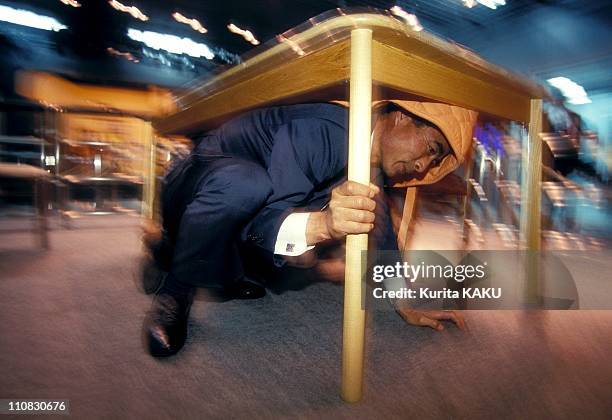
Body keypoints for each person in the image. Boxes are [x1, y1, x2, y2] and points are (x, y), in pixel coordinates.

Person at [142, 100, 477, 357]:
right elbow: (266, 220)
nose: (423, 167)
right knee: (247, 186)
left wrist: (406, 303)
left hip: (234, 211)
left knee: (276, 237)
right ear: (401, 115)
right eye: (431, 149)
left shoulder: (368, 163)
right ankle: (175, 282)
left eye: (434, 163)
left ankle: (221, 270)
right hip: (189, 189)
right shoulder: (327, 131)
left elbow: (382, 232)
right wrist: (323, 225)